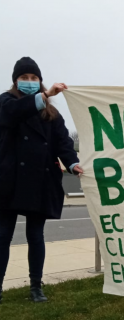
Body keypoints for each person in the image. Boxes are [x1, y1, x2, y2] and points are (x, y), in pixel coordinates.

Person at [0, 57, 83, 303]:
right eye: (24, 78)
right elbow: (15, 112)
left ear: (39, 80)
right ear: (15, 80)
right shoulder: (5, 102)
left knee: (35, 236)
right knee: (3, 236)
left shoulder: (52, 113)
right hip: (9, 181)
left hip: (40, 180)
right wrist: (45, 94)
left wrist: (72, 163)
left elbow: (62, 142)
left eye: (33, 78)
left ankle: (36, 286)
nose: (29, 82)